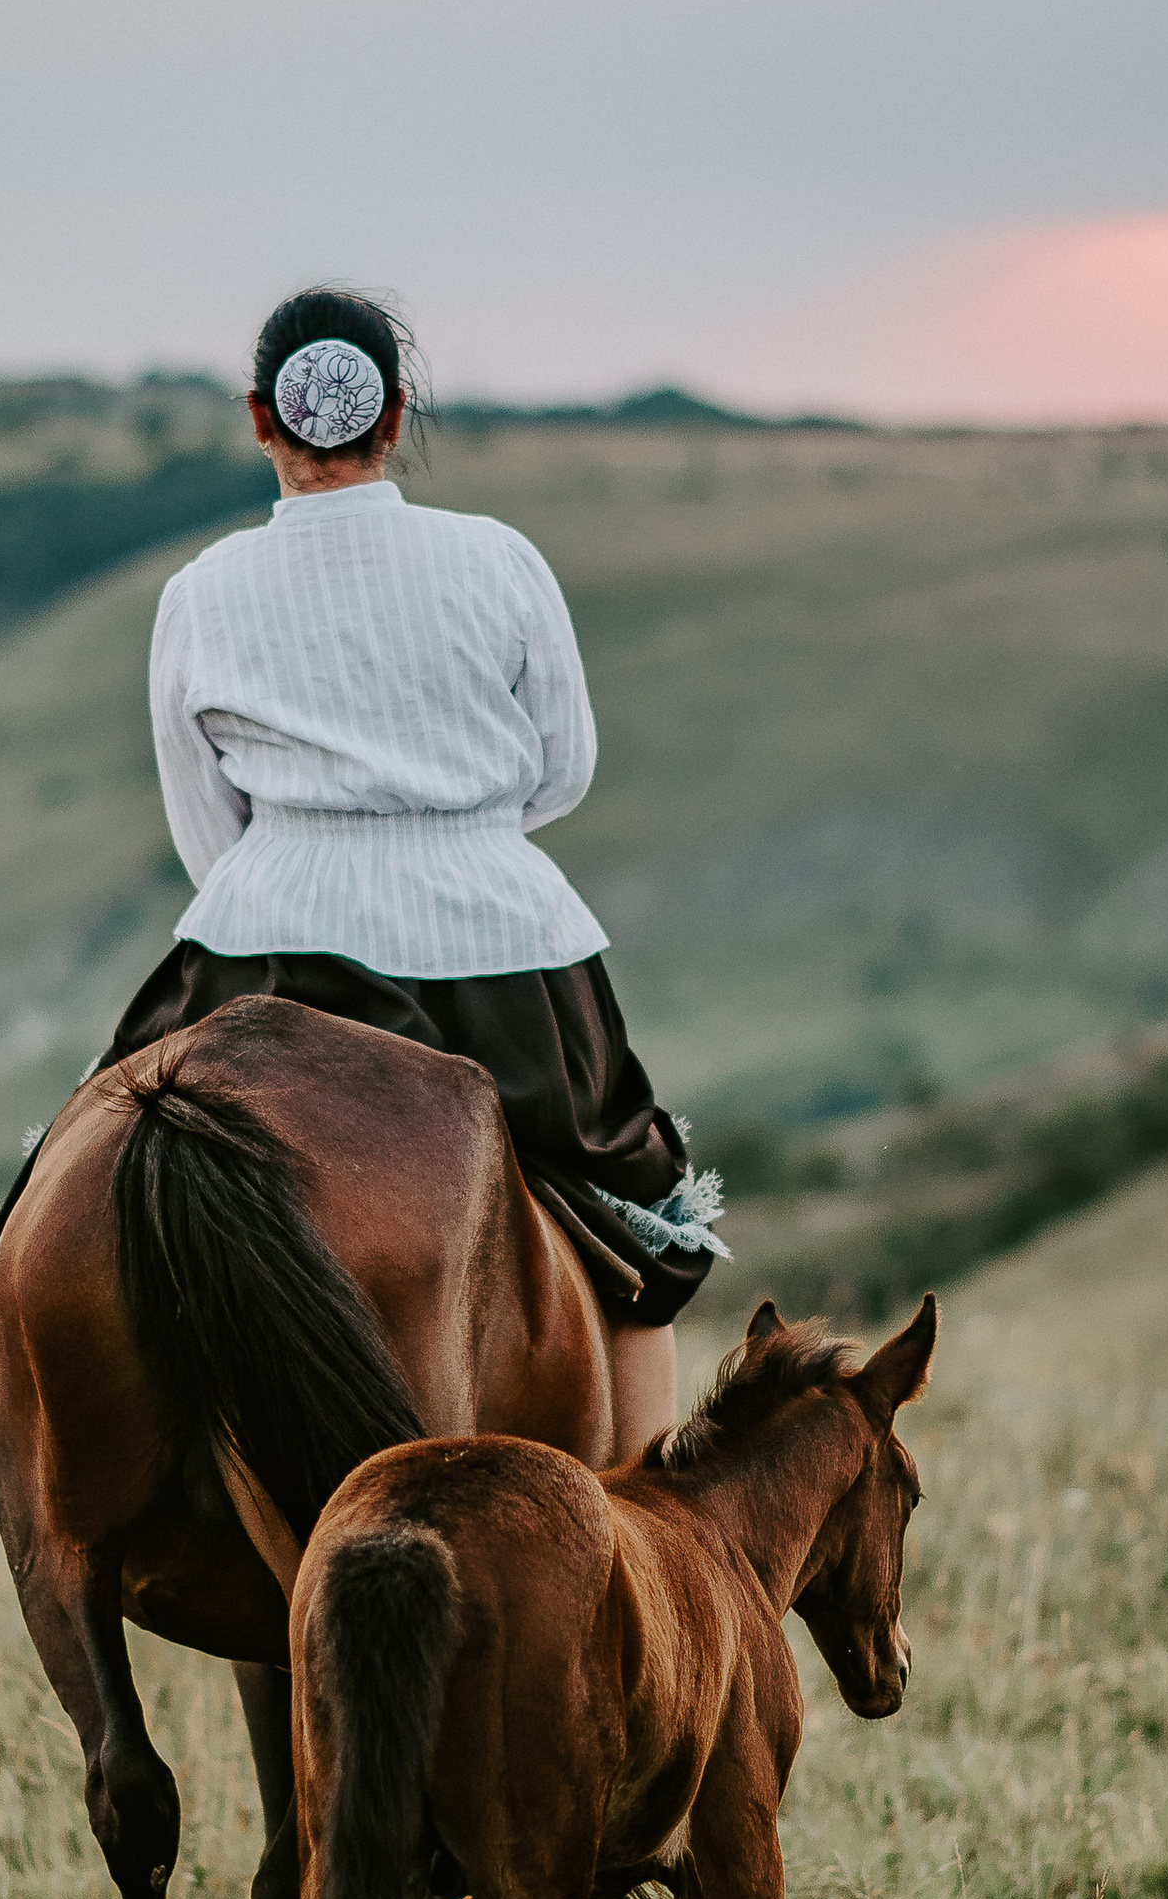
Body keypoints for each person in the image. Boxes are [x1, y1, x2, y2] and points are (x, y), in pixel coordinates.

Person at [105, 287, 725, 1458]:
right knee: (643, 1224)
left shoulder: (199, 592)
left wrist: (300, 857)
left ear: (257, 419)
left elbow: (204, 828)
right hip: (497, 940)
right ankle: (649, 1506)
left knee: (94, 1181)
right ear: (394, 418)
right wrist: (459, 829)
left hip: (267, 940)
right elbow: (564, 770)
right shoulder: (497, 560)